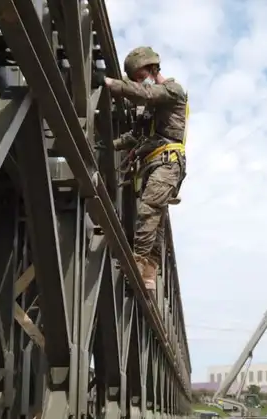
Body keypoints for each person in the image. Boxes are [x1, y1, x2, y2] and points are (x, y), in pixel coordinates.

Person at [92, 46, 188, 296]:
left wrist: (111, 83)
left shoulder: (172, 90)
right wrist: (107, 146)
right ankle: (148, 277)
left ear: (151, 67)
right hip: (151, 164)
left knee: (148, 210)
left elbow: (145, 93)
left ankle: (136, 265)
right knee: (154, 220)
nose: (139, 81)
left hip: (168, 162)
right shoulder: (150, 109)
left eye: (139, 75)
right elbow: (134, 136)